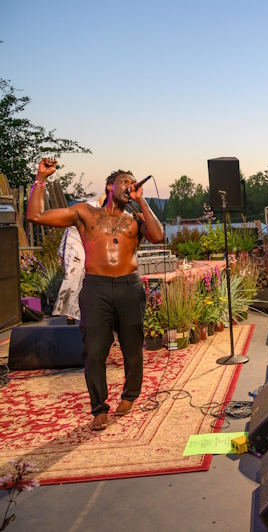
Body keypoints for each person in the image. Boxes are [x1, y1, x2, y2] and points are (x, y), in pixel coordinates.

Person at [27, 159, 165, 431]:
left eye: (133, 182)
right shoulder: (85, 213)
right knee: (93, 351)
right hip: (96, 288)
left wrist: (142, 202)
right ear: (109, 186)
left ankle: (129, 396)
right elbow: (36, 217)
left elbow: (159, 236)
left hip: (130, 287)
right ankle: (99, 408)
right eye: (124, 181)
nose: (130, 185)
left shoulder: (136, 220)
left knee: (132, 348)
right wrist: (40, 178)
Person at [53, 192, 105, 320]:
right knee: (76, 277)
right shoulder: (88, 210)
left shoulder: (98, 211)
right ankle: (72, 317)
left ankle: (74, 316)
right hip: (78, 255)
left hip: (85, 256)